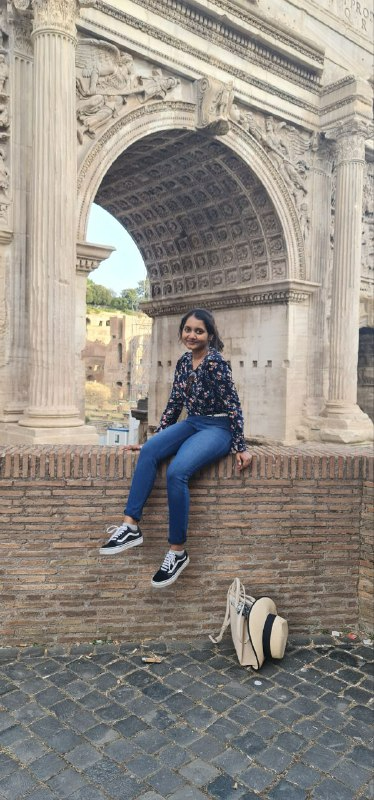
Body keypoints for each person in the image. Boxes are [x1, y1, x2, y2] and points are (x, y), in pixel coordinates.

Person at [100, 308, 252, 588]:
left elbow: (233, 404)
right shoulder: (183, 362)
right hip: (192, 422)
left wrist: (240, 446)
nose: (192, 335)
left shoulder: (216, 363)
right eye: (188, 330)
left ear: (209, 334)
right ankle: (130, 526)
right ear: (182, 332)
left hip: (218, 428)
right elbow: (174, 404)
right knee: (149, 452)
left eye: (199, 331)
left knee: (177, 472)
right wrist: (156, 438)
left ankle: (177, 552)